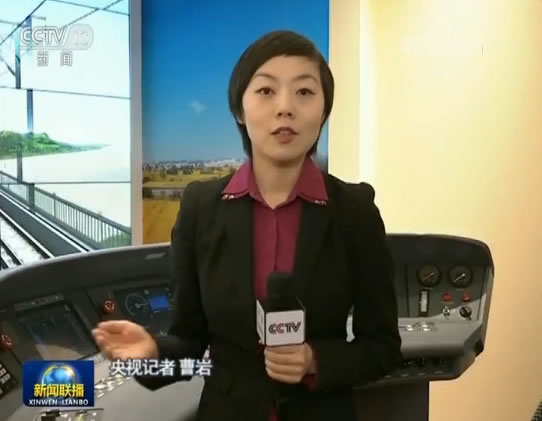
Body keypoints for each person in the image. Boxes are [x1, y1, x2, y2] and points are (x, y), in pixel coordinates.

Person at [92, 30, 402, 421]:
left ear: (324, 110)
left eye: (305, 92)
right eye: (266, 91)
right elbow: (190, 343)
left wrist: (314, 360)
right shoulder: (201, 208)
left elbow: (382, 349)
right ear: (240, 108)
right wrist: (152, 354)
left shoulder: (354, 211)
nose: (285, 108)